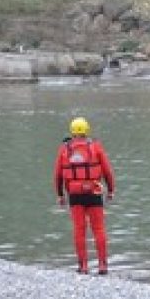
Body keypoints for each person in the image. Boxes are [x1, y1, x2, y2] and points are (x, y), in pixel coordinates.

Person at [54, 116, 116, 275]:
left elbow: (58, 175)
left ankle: (83, 266)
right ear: (87, 130)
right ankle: (103, 265)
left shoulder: (64, 149)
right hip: (94, 192)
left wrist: (60, 195)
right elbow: (107, 171)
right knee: (99, 229)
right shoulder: (95, 147)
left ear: (72, 131)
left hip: (75, 194)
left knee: (79, 230)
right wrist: (110, 190)